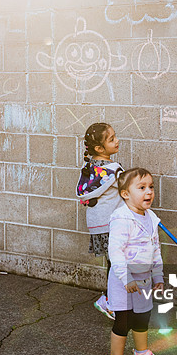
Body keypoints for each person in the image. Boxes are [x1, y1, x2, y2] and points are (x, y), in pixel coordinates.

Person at [103, 167, 166, 355]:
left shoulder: (151, 218)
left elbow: (155, 249)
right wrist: (126, 278)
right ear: (125, 194)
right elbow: (115, 252)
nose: (149, 192)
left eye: (151, 187)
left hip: (144, 280)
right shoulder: (121, 218)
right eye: (141, 187)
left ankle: (141, 354)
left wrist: (158, 276)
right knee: (123, 321)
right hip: (124, 282)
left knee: (142, 318)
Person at [76, 123, 124, 320]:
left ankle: (112, 299)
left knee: (114, 264)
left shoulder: (89, 168)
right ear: (99, 148)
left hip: (98, 225)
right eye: (112, 139)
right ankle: (110, 302)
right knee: (118, 265)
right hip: (112, 225)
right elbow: (128, 191)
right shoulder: (114, 171)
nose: (117, 140)